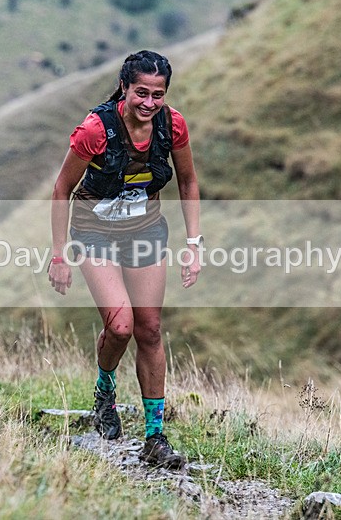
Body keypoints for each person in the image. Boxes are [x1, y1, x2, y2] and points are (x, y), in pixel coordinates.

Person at [48, 50, 202, 470]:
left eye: (158, 94)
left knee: (149, 329)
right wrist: (59, 254)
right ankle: (105, 391)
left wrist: (194, 243)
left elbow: (187, 181)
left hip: (145, 230)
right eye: (141, 93)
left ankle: (154, 436)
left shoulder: (173, 126)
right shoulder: (95, 130)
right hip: (94, 230)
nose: (149, 103)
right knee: (120, 326)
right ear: (124, 87)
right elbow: (62, 189)